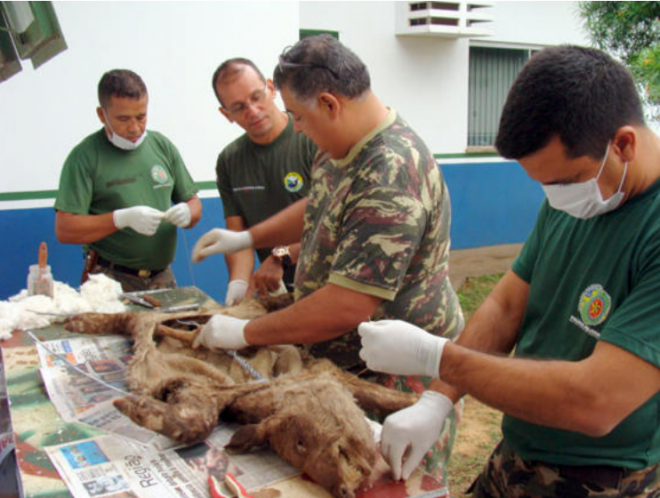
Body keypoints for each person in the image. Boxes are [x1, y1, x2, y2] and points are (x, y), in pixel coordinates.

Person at [359, 45, 660, 497]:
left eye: (562, 182)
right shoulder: (582, 190)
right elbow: (505, 305)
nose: (554, 197)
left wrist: (436, 356)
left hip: (600, 478)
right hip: (520, 450)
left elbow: (596, 402)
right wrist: (438, 398)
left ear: (623, 145)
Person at [192, 35, 463, 490]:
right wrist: (249, 237)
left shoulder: (390, 171)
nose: (295, 127)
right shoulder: (342, 146)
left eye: (298, 116)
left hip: (393, 382)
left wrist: (244, 332)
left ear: (329, 103)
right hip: (344, 365)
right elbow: (319, 203)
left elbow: (345, 306)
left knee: (387, 484)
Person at [55, 69, 202, 292]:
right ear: (102, 115)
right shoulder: (84, 158)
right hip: (109, 279)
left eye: (141, 116)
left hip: (162, 277)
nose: (134, 128)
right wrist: (120, 219)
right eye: (123, 119)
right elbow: (65, 230)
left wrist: (188, 212)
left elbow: (194, 204)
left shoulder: (161, 146)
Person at [212, 58, 316, 305]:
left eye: (257, 96)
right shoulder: (230, 160)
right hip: (278, 291)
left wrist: (281, 256)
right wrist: (239, 283)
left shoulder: (312, 138)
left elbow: (335, 227)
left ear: (271, 88)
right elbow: (238, 238)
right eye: (238, 107)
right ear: (226, 114)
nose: (253, 111)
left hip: (328, 285)